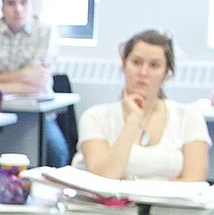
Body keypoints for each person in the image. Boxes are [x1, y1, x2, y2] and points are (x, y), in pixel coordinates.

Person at [73, 29, 210, 180]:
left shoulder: (189, 117)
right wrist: (133, 121)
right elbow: (104, 177)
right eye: (136, 62)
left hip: (168, 205)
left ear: (166, 72)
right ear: (124, 63)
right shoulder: (95, 117)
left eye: (154, 65)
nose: (143, 72)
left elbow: (194, 182)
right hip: (112, 203)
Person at [0, 0, 69, 166]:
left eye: (23, 2)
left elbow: (39, 82)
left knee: (56, 152)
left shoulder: (46, 31)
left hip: (38, 116)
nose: (17, 9)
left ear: (32, 6)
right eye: (10, 3)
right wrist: (26, 74)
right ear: (2, 7)